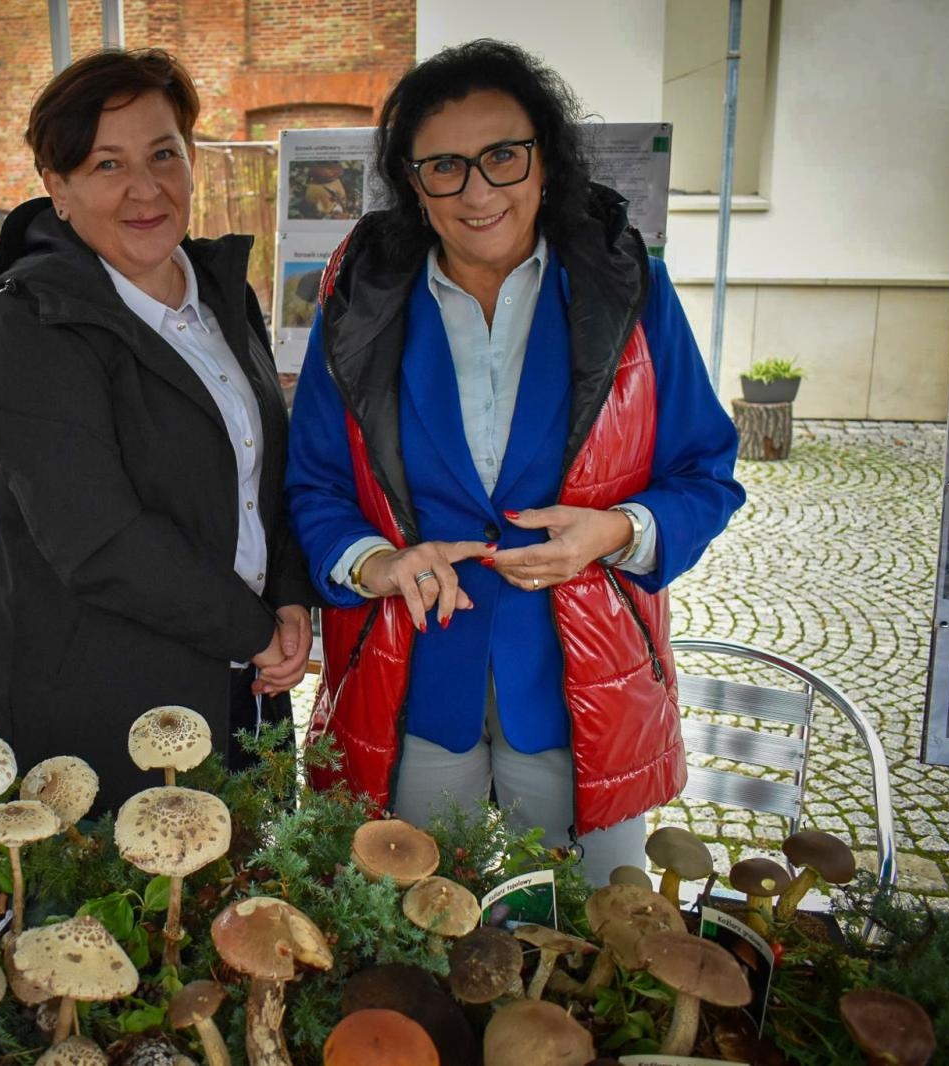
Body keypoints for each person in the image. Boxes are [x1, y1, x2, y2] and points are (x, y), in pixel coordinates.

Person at [285, 39, 745, 885]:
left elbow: (706, 472)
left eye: (503, 156)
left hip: (585, 687)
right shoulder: (359, 307)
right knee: (415, 933)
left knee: (592, 936)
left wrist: (614, 530)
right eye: (444, 167)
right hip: (418, 676)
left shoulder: (630, 290)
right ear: (412, 186)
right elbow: (314, 482)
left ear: (545, 161)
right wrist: (377, 561)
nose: (479, 191)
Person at [0, 49, 313, 811]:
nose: (145, 188)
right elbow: (99, 539)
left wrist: (288, 592)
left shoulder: (222, 292)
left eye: (163, 154)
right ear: (57, 188)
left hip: (242, 685)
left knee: (248, 915)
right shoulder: (33, 323)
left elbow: (262, 470)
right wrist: (249, 628)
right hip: (103, 703)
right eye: (106, 165)